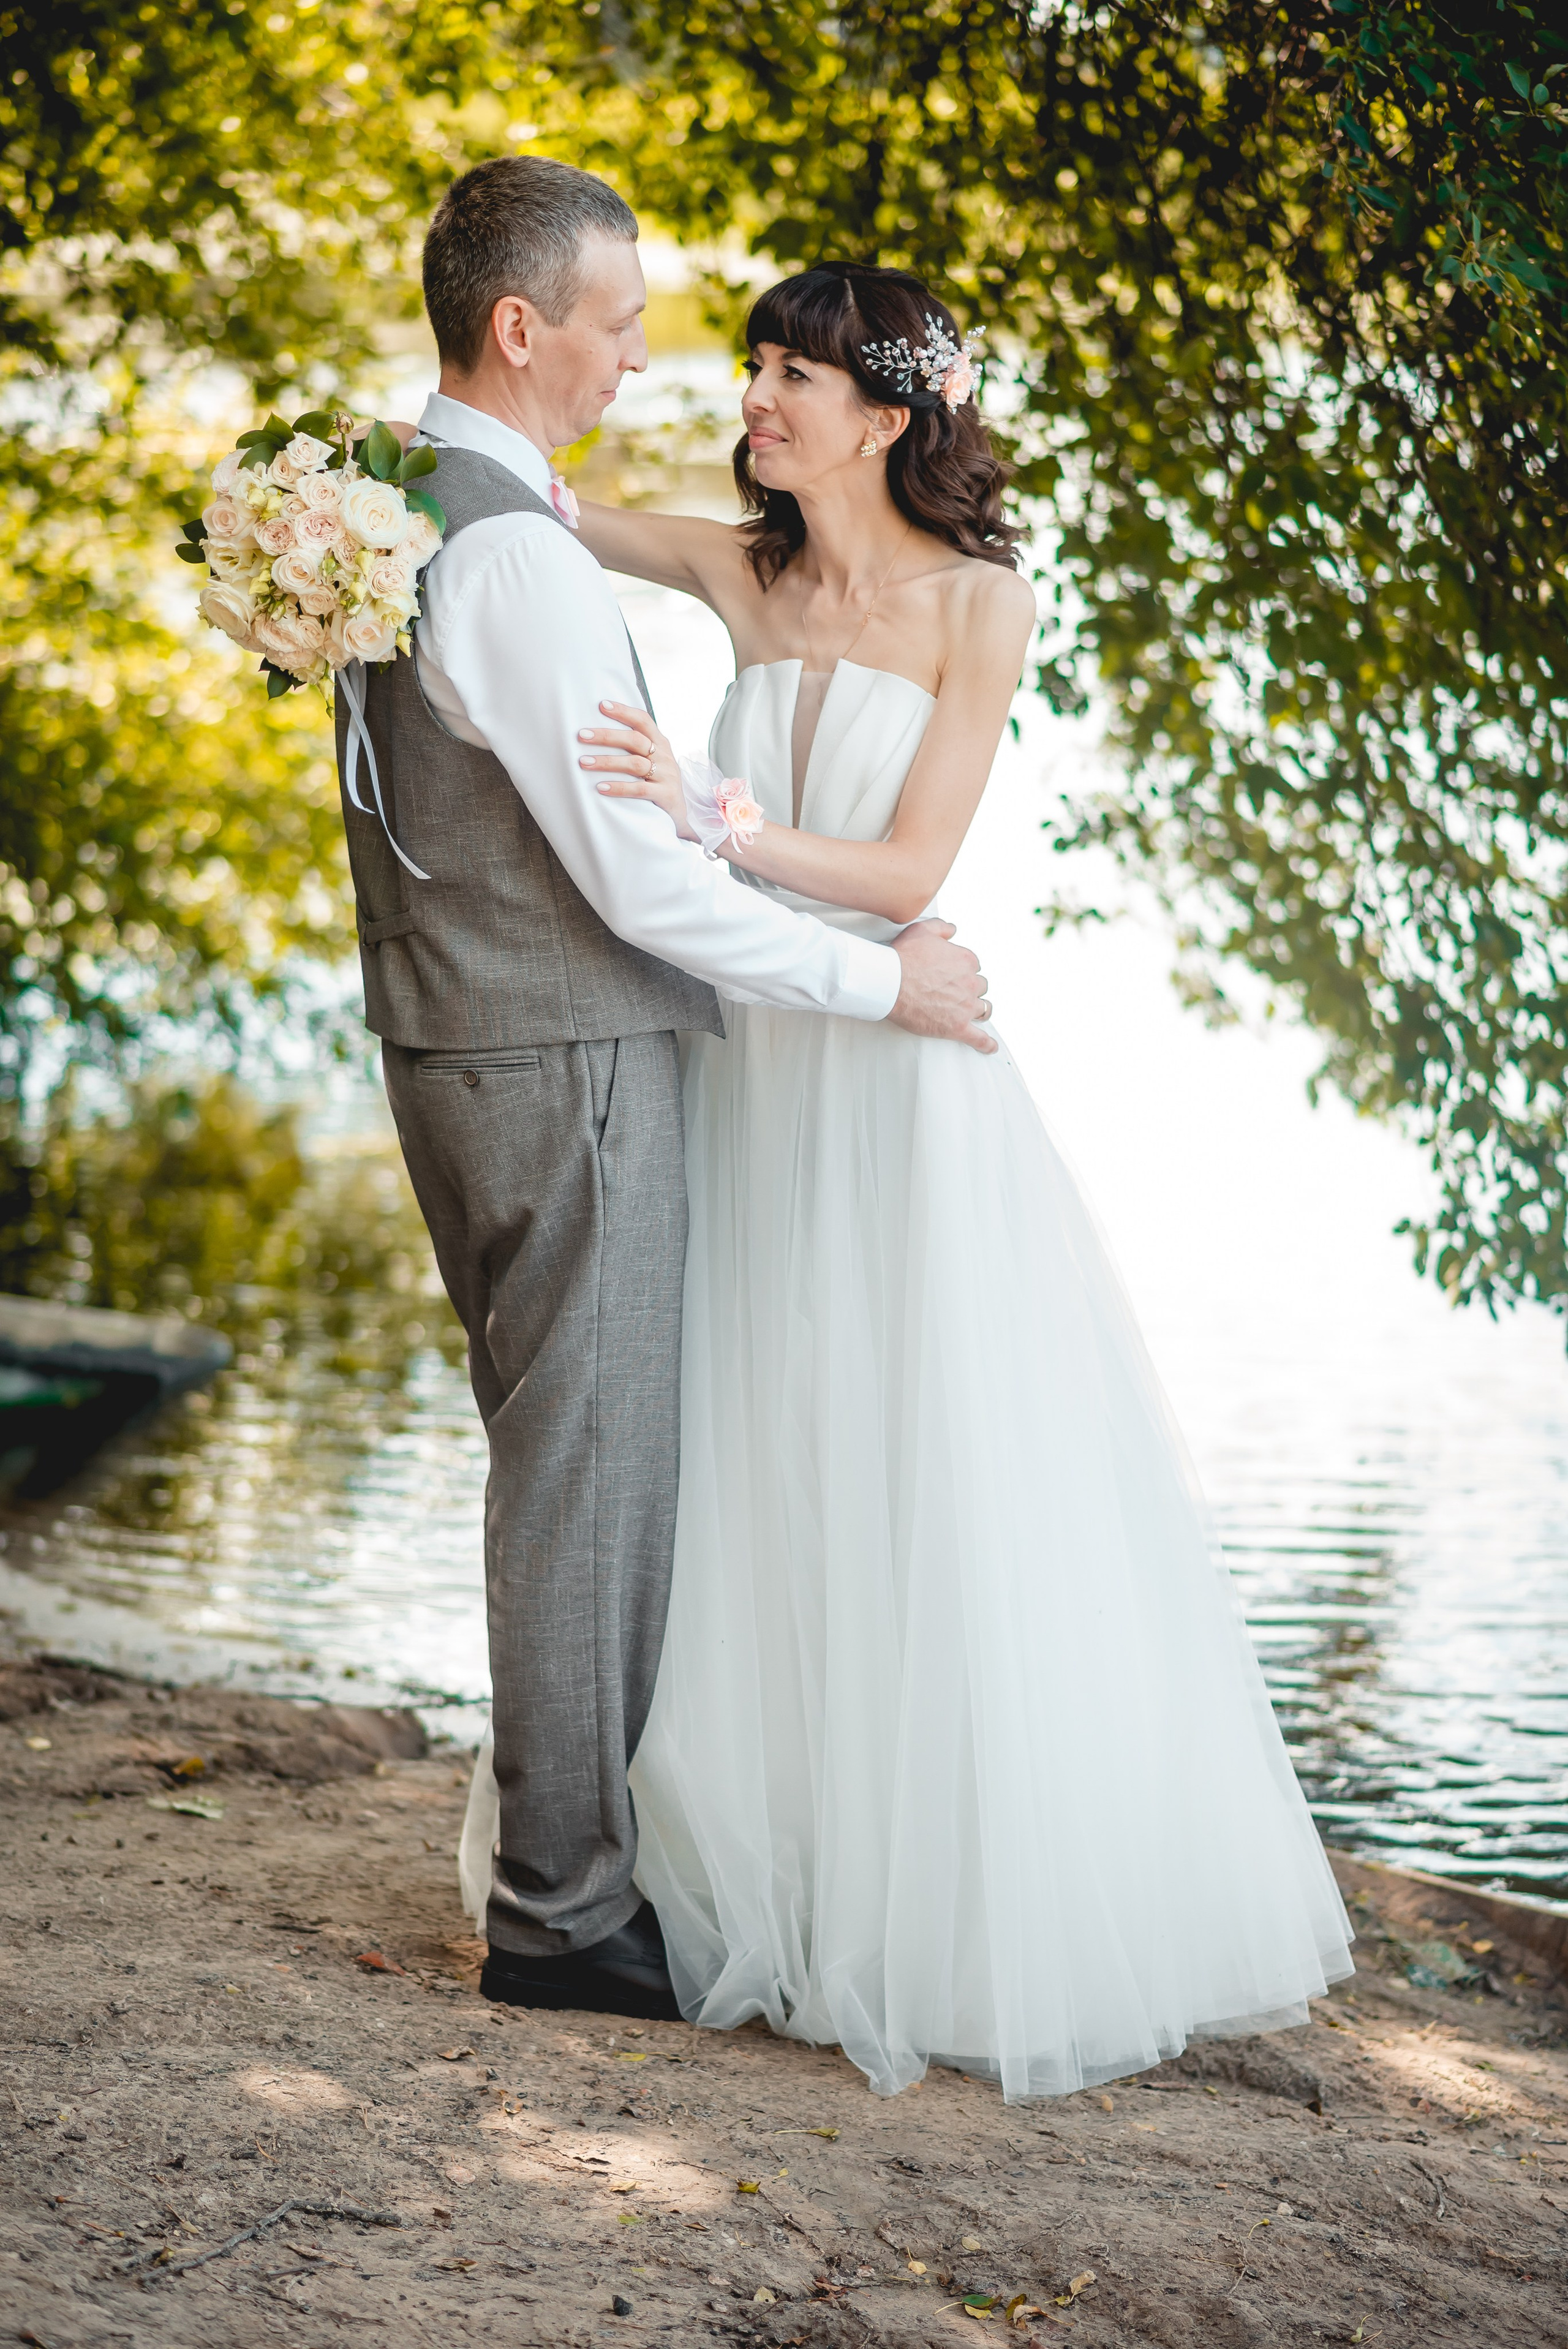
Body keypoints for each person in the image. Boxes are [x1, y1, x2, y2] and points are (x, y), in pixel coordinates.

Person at [461, 258, 1355, 2101]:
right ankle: (734, 1874)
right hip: (742, 1069)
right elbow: (518, 505)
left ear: (890, 414)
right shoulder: (738, 566)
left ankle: (930, 1897)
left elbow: (906, 864)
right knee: (747, 1447)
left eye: (794, 376)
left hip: (891, 1064)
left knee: (910, 1445)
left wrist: (711, 820)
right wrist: (342, 489)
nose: (754, 400)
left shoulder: (982, 603)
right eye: (755, 368)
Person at [338, 160, 994, 2025]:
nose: (664, 365)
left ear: (890, 416)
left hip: (463, 1031)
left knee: (592, 1455)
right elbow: (638, 881)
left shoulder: (408, 498)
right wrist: (884, 984)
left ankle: (610, 1852)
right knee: (585, 1470)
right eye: (626, 324)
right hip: (570, 1046)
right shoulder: (509, 549)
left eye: (788, 370)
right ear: (524, 326)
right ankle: (562, 1912)